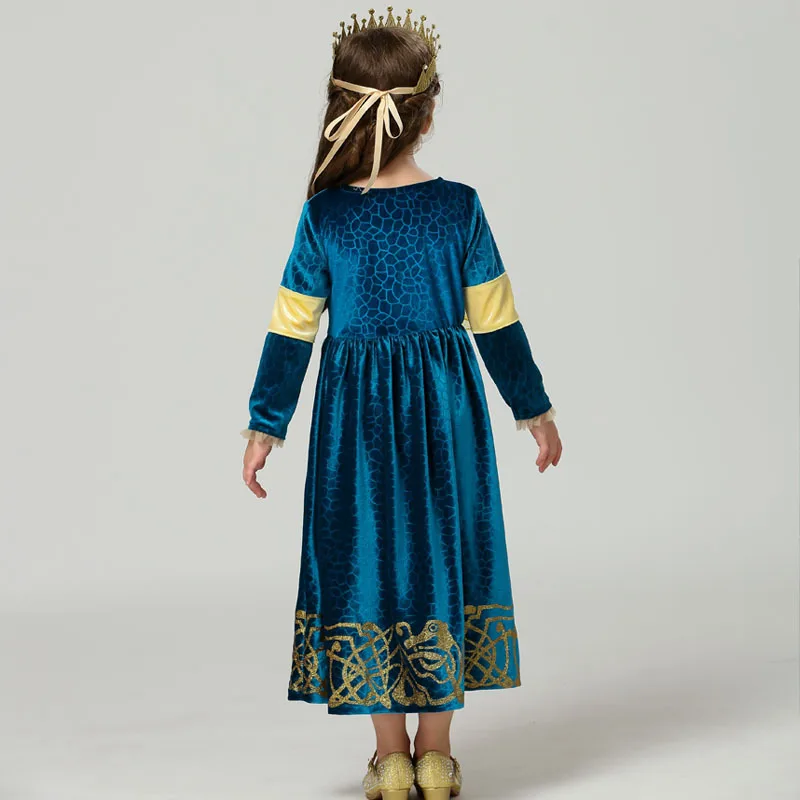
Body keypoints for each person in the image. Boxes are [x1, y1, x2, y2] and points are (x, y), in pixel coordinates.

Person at [240, 8, 563, 799]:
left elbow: (291, 329)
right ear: (427, 111)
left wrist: (264, 425)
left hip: (354, 425)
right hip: (443, 415)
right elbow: (496, 321)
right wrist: (533, 408)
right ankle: (436, 754)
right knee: (441, 554)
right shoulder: (459, 208)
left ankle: (390, 757)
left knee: (368, 563)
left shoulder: (324, 216)